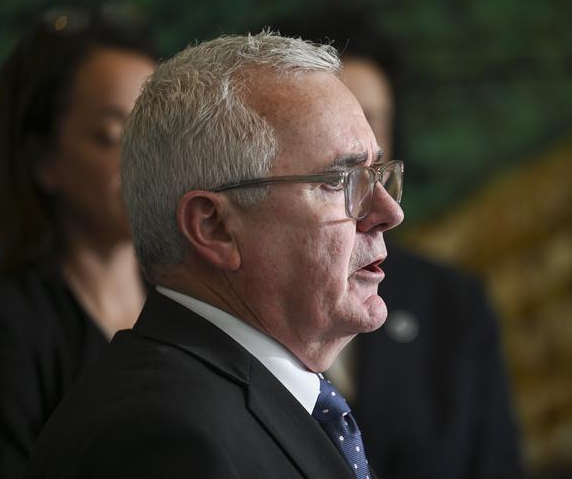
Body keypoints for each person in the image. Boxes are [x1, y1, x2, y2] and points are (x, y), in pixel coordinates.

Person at [24, 31, 404, 478]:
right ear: (215, 227)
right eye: (341, 180)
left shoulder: (247, 399)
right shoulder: (162, 439)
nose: (388, 212)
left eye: (376, 173)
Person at [0, 6, 156, 479]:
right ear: (43, 158)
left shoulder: (197, 306)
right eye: (111, 135)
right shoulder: (0, 336)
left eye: (155, 133)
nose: (145, 159)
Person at [330, 53, 524, 478]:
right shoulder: (242, 305)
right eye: (339, 121)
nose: (362, 149)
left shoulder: (454, 303)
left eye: (373, 122)